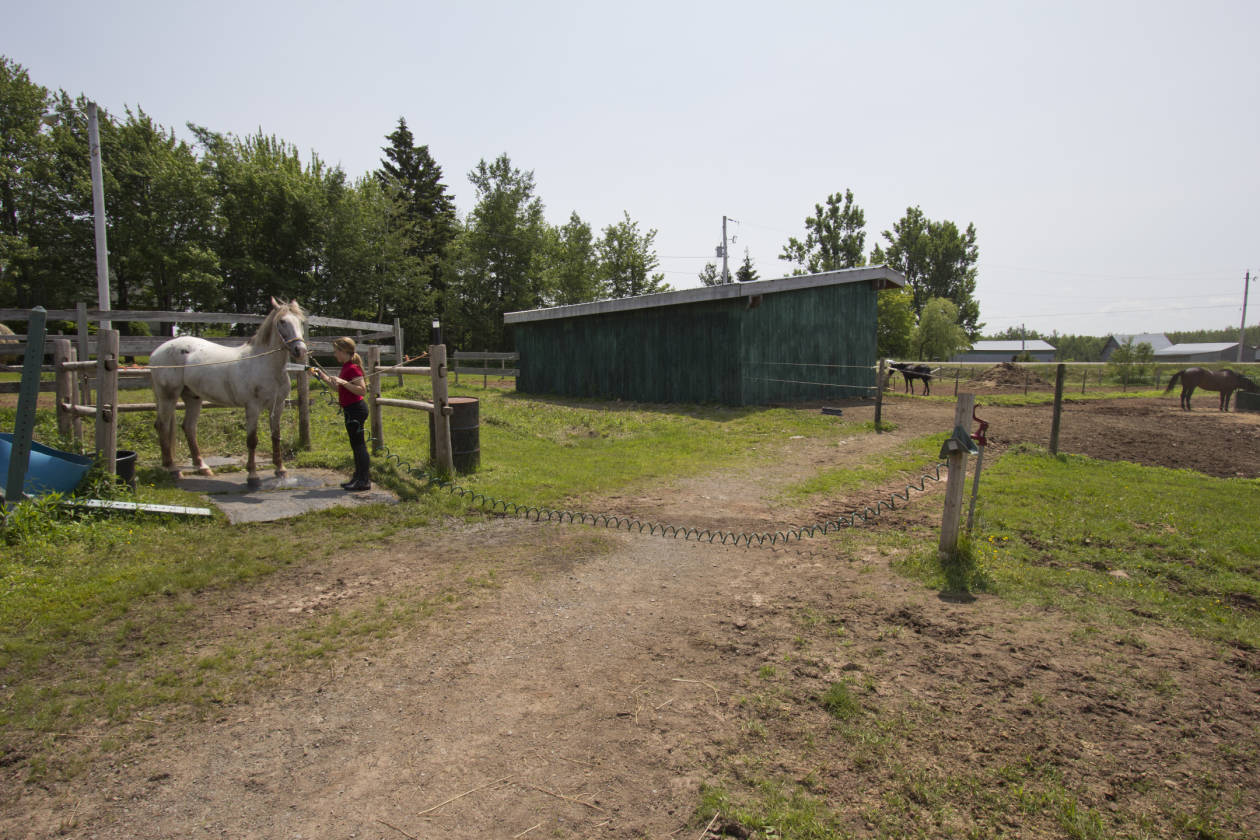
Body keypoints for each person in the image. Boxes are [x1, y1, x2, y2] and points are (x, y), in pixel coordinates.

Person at [315, 337, 372, 491]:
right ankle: (357, 477)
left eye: (336, 351)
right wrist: (323, 377)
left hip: (357, 409)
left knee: (359, 445)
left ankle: (364, 480)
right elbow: (339, 388)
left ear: (343, 351)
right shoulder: (346, 366)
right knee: (355, 445)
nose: (335, 355)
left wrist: (343, 382)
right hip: (350, 409)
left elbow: (362, 390)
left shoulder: (353, 368)